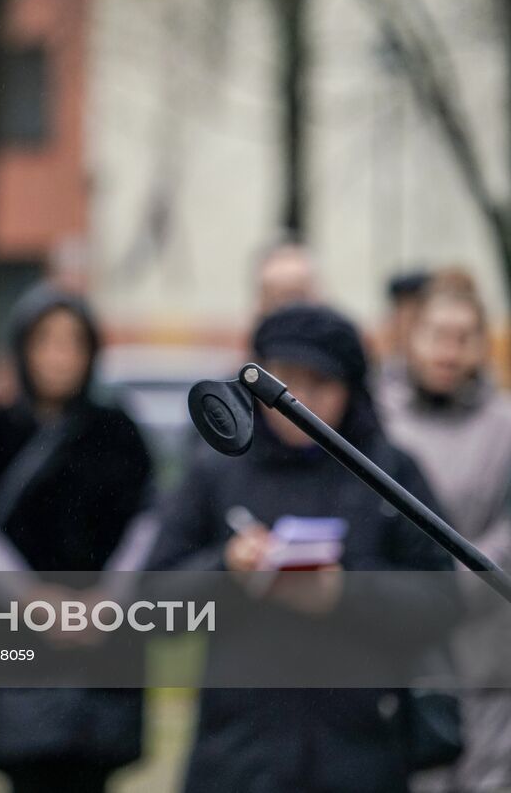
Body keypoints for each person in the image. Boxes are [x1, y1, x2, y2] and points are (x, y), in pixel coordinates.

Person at [148, 303, 458, 793]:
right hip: (238, 754)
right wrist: (227, 568)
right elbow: (154, 606)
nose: (302, 401)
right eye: (288, 381)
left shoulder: (389, 472)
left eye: (321, 383)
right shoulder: (217, 472)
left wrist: (344, 593)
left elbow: (443, 599)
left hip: (363, 753)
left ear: (352, 388)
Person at [0, 284, 154, 793]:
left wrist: (108, 603)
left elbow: (150, 522)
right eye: (46, 342)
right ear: (22, 349)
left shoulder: (118, 430)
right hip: (17, 641)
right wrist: (30, 599)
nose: (59, 356)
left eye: (73, 343)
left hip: (106, 645)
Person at [379, 271, 511, 793]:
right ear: (411, 336)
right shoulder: (379, 421)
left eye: (464, 337)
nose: (449, 351)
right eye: (437, 334)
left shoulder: (504, 425)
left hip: (487, 635)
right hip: (403, 629)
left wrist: (461, 576)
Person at [254, 238, 320, 316]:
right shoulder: (251, 326)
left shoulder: (331, 325)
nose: (289, 308)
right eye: (275, 300)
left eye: (297, 297)